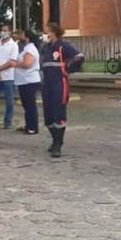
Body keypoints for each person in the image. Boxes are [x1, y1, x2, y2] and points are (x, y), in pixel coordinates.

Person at [40, 22, 85, 158]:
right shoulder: (46, 47)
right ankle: (56, 139)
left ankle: (57, 144)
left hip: (59, 83)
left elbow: (80, 56)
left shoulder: (63, 46)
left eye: (47, 30)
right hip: (47, 83)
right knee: (48, 116)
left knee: (58, 113)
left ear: (53, 31)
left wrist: (68, 69)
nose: (45, 33)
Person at [13, 29, 41, 135]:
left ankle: (33, 127)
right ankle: (29, 124)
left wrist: (15, 64)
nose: (20, 36)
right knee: (26, 105)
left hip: (29, 80)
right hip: (23, 81)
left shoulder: (31, 49)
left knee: (30, 105)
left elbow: (27, 64)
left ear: (27, 37)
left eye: (22, 34)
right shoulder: (26, 48)